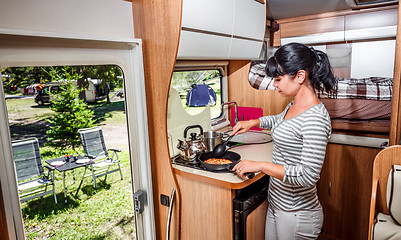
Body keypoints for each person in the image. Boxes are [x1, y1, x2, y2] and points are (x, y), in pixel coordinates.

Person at [232, 42, 336, 240]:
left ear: (299, 76)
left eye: (278, 79)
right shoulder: (294, 104)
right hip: (278, 204)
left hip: (297, 214)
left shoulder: (315, 119)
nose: (275, 84)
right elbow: (280, 120)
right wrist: (254, 121)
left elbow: (307, 176)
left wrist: (261, 165)